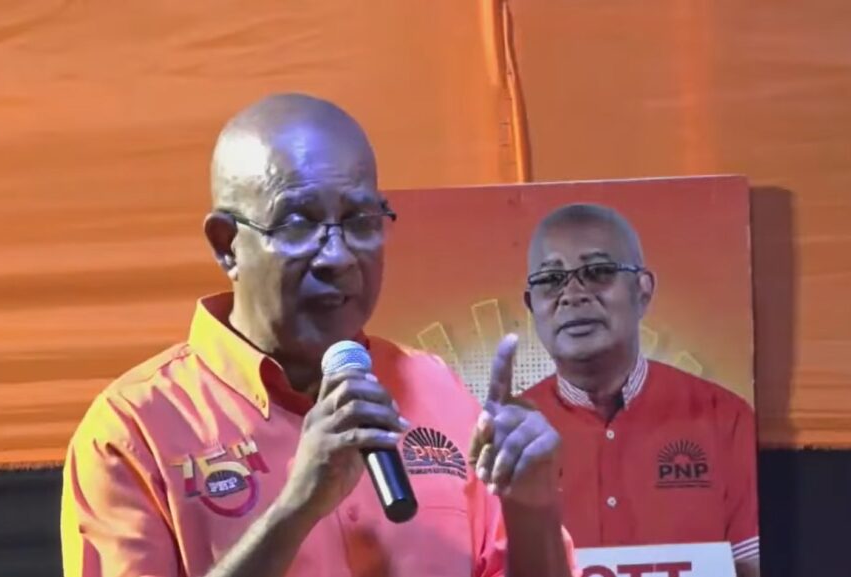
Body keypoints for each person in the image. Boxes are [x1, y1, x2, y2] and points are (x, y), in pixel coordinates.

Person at [60, 93, 578, 577]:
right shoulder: (134, 430)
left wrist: (532, 508)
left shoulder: (437, 389)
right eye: (297, 224)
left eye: (360, 220)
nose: (337, 256)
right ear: (226, 245)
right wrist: (295, 508)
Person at [519, 203, 760, 577]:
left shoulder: (722, 417)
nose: (573, 294)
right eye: (551, 279)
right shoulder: (505, 435)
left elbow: (751, 565)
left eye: (598, 272)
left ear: (643, 290)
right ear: (531, 306)